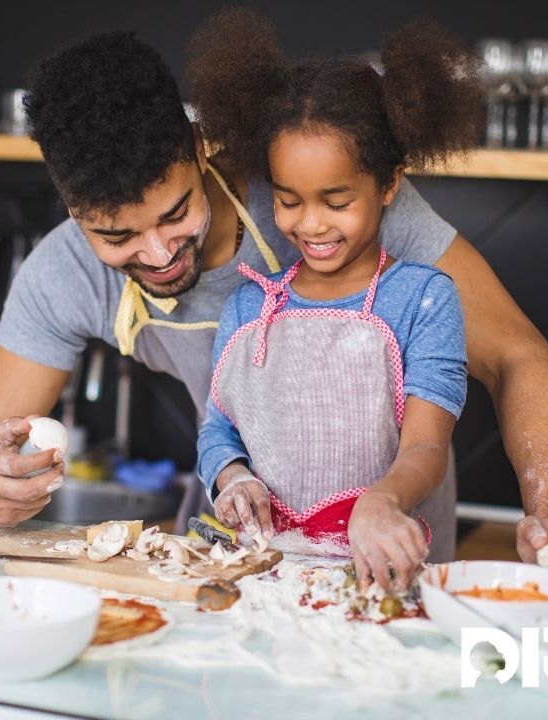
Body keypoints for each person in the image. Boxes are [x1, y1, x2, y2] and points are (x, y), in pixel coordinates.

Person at [0, 23, 548, 604]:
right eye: (117, 237)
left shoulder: (318, 190)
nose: (159, 253)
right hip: (241, 566)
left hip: (395, 562)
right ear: (73, 214)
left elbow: (520, 357)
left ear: (200, 149)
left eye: (175, 213)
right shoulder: (63, 273)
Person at [194, 12, 473, 591]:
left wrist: (384, 500)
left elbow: (426, 443)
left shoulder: (422, 298)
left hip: (373, 573)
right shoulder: (249, 309)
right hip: (259, 571)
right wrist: (232, 477)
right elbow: (217, 429)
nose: (311, 223)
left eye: (337, 199)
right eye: (289, 200)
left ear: (390, 184)